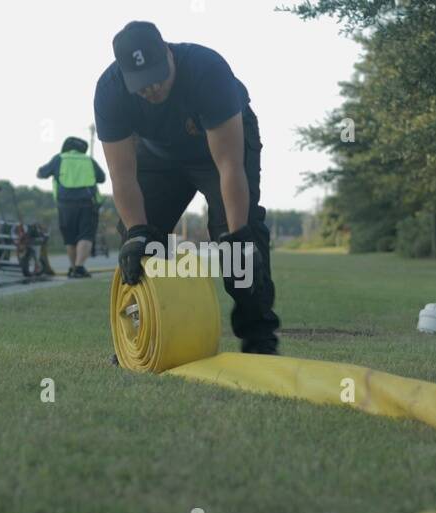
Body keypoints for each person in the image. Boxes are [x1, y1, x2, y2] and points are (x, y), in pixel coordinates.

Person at [94, 21, 280, 354]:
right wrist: (137, 232)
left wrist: (238, 235)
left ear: (168, 52)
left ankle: (259, 339)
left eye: (156, 76)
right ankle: (144, 336)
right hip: (158, 153)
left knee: (239, 243)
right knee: (139, 241)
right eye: (140, 84)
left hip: (220, 151)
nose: (150, 89)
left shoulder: (207, 70)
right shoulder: (110, 92)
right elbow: (122, 177)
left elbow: (229, 165)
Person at [37, 136, 107, 278]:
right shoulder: (88, 160)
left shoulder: (59, 158)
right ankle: (79, 267)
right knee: (86, 234)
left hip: (65, 204)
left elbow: (40, 174)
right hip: (88, 203)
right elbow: (102, 178)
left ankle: (74, 267)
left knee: (69, 237)